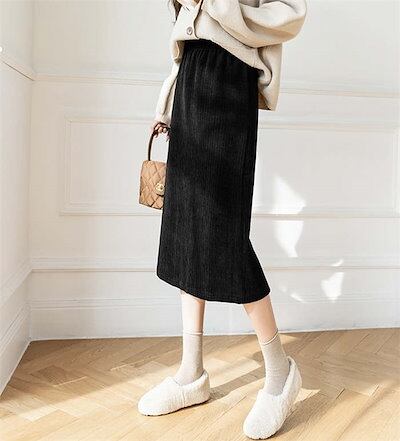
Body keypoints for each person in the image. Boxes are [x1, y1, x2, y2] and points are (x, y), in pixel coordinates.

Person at [138, 0, 307, 438]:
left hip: (231, 77)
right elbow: (188, 24)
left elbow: (291, 13)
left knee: (224, 233)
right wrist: (169, 99)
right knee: (185, 226)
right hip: (191, 75)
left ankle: (280, 371)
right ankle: (191, 372)